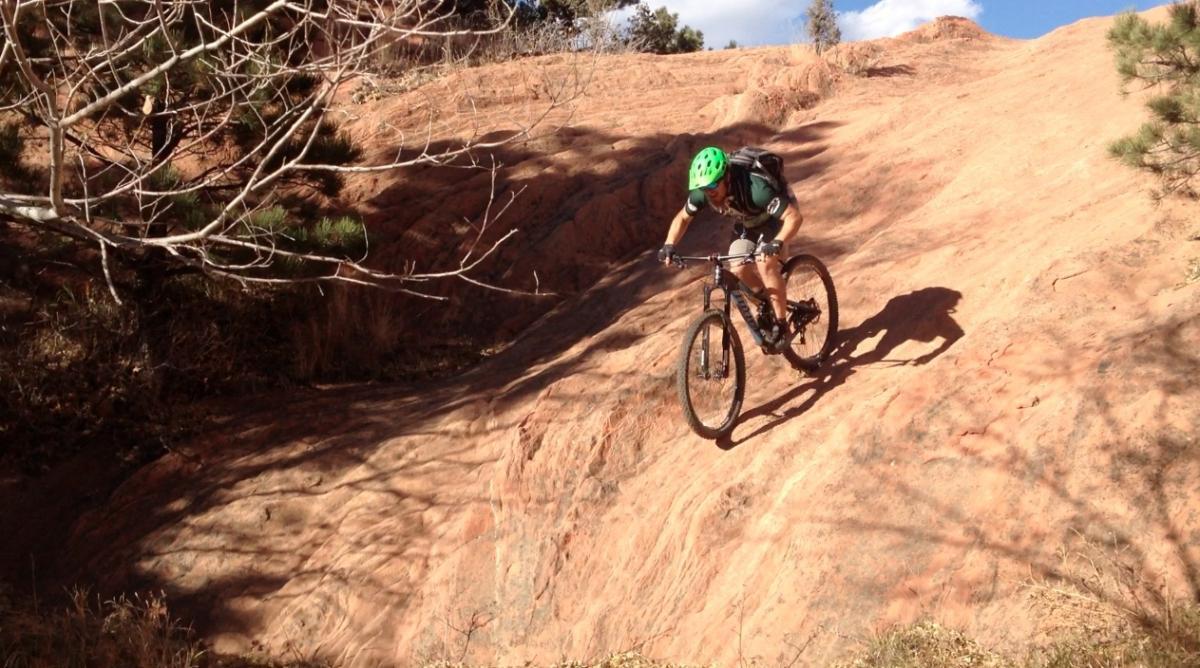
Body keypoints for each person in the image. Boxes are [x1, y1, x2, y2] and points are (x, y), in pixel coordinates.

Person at [658, 146, 805, 347]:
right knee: (737, 267)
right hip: (748, 222)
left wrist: (777, 242)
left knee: (766, 262)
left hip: (775, 220)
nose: (708, 192)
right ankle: (765, 303)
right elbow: (683, 218)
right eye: (703, 188)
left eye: (712, 186)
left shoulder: (756, 190)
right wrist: (669, 244)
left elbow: (793, 217)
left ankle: (781, 325)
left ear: (726, 177)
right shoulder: (704, 193)